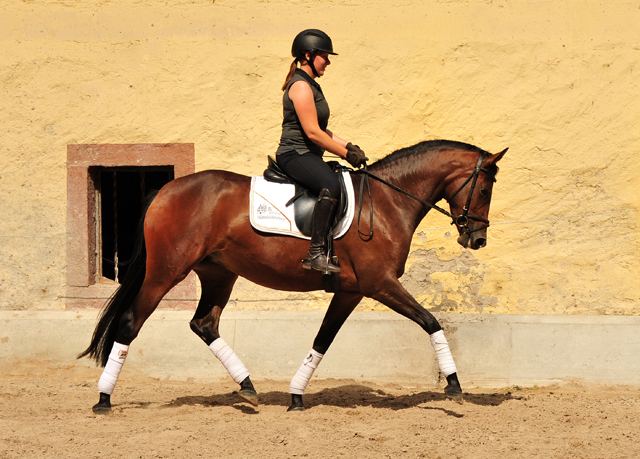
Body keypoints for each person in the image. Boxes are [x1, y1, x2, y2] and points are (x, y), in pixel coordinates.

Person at [275, 29, 367, 273]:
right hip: (294, 154)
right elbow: (312, 133)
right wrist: (345, 154)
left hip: (307, 154)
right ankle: (315, 254)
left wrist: (349, 146)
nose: (328, 61)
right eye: (324, 55)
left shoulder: (311, 86)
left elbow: (321, 130)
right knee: (331, 186)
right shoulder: (301, 87)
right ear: (309, 54)